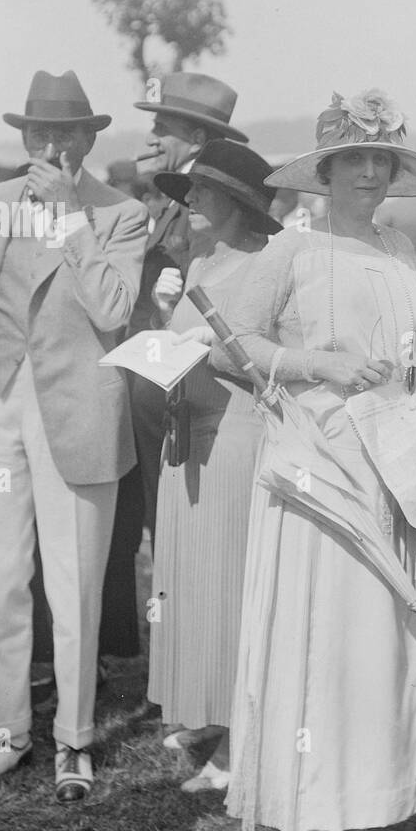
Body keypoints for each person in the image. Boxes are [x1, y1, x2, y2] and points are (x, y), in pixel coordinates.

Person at [209, 89, 416, 831]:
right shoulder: (293, 251)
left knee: (373, 644)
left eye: (382, 161)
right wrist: (319, 367)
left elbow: (414, 352)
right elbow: (228, 346)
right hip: (315, 464)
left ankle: (361, 820)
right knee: (317, 638)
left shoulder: (399, 251)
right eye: (356, 161)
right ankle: (310, 827)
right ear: (326, 172)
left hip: (388, 461)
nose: (371, 174)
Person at [0, 70, 148, 801]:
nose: (52, 144)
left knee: (74, 583)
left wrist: (70, 218)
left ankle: (74, 739)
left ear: (90, 138)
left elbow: (113, 309)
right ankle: (5, 733)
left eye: (67, 132)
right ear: (23, 136)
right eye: (40, 132)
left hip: (76, 406)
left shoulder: (119, 212)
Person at [145, 140, 280, 792]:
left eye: (201, 191)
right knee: (190, 584)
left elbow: (265, 365)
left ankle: (239, 739)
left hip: (233, 439)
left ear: (236, 202)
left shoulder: (264, 266)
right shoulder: (201, 259)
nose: (189, 199)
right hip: (186, 439)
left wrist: (210, 348)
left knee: (228, 586)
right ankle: (206, 711)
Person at [128, 72, 250, 533]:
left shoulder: (212, 204)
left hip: (180, 378)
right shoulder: (168, 196)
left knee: (172, 516)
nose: (151, 137)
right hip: (150, 370)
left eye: (162, 129)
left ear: (197, 137)